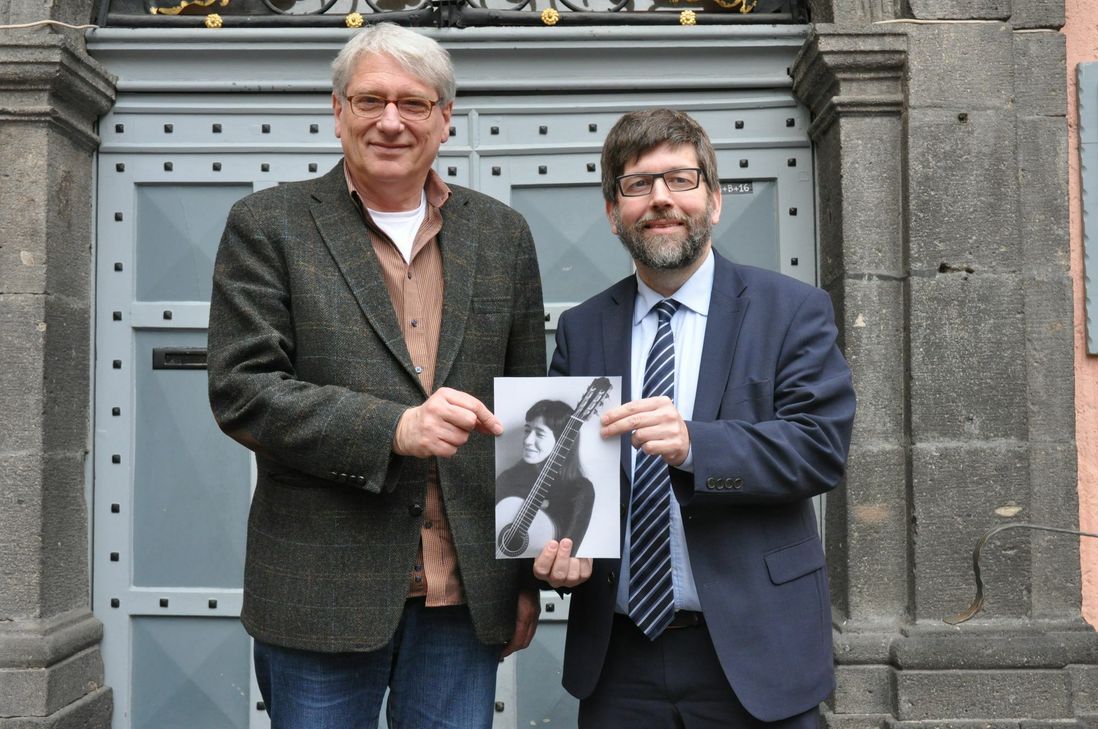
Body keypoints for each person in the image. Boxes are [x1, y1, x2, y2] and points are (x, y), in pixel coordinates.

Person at [206, 23, 546, 729]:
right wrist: (396, 427)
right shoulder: (268, 225)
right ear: (338, 111)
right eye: (370, 100)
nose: (391, 121)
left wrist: (528, 571)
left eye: (414, 103)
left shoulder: (503, 234)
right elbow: (243, 390)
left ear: (446, 120)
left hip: (464, 593)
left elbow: (527, 407)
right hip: (319, 591)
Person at [533, 108, 856, 728]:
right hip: (620, 657)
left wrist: (694, 446)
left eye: (680, 180)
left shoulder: (792, 310)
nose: (660, 200)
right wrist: (556, 558)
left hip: (755, 648)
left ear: (713, 200)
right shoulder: (582, 328)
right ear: (611, 212)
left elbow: (819, 448)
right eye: (637, 185)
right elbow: (563, 477)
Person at [495, 399, 596, 556]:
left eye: (540, 433)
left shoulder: (580, 490)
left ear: (562, 441)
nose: (528, 441)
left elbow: (568, 555)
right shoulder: (508, 478)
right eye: (527, 430)